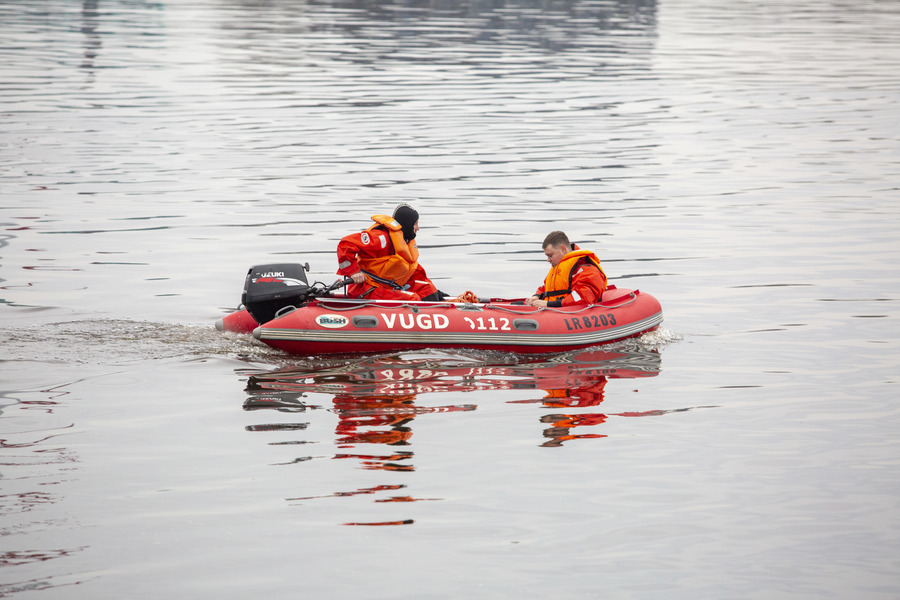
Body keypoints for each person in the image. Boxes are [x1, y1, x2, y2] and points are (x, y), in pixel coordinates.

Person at [337, 204, 446, 301]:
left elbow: (415, 272)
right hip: (367, 289)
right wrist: (353, 272)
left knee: (427, 289)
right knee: (413, 299)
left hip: (385, 287)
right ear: (408, 224)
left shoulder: (403, 241)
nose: (418, 228)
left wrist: (437, 294)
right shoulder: (380, 238)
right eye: (416, 224)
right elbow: (346, 244)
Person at [526, 231, 607, 307]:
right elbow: (546, 288)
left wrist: (548, 304)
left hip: (569, 313)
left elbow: (582, 297)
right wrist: (536, 296)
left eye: (550, 255)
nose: (548, 260)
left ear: (563, 249)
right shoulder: (558, 268)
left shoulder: (587, 269)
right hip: (552, 310)